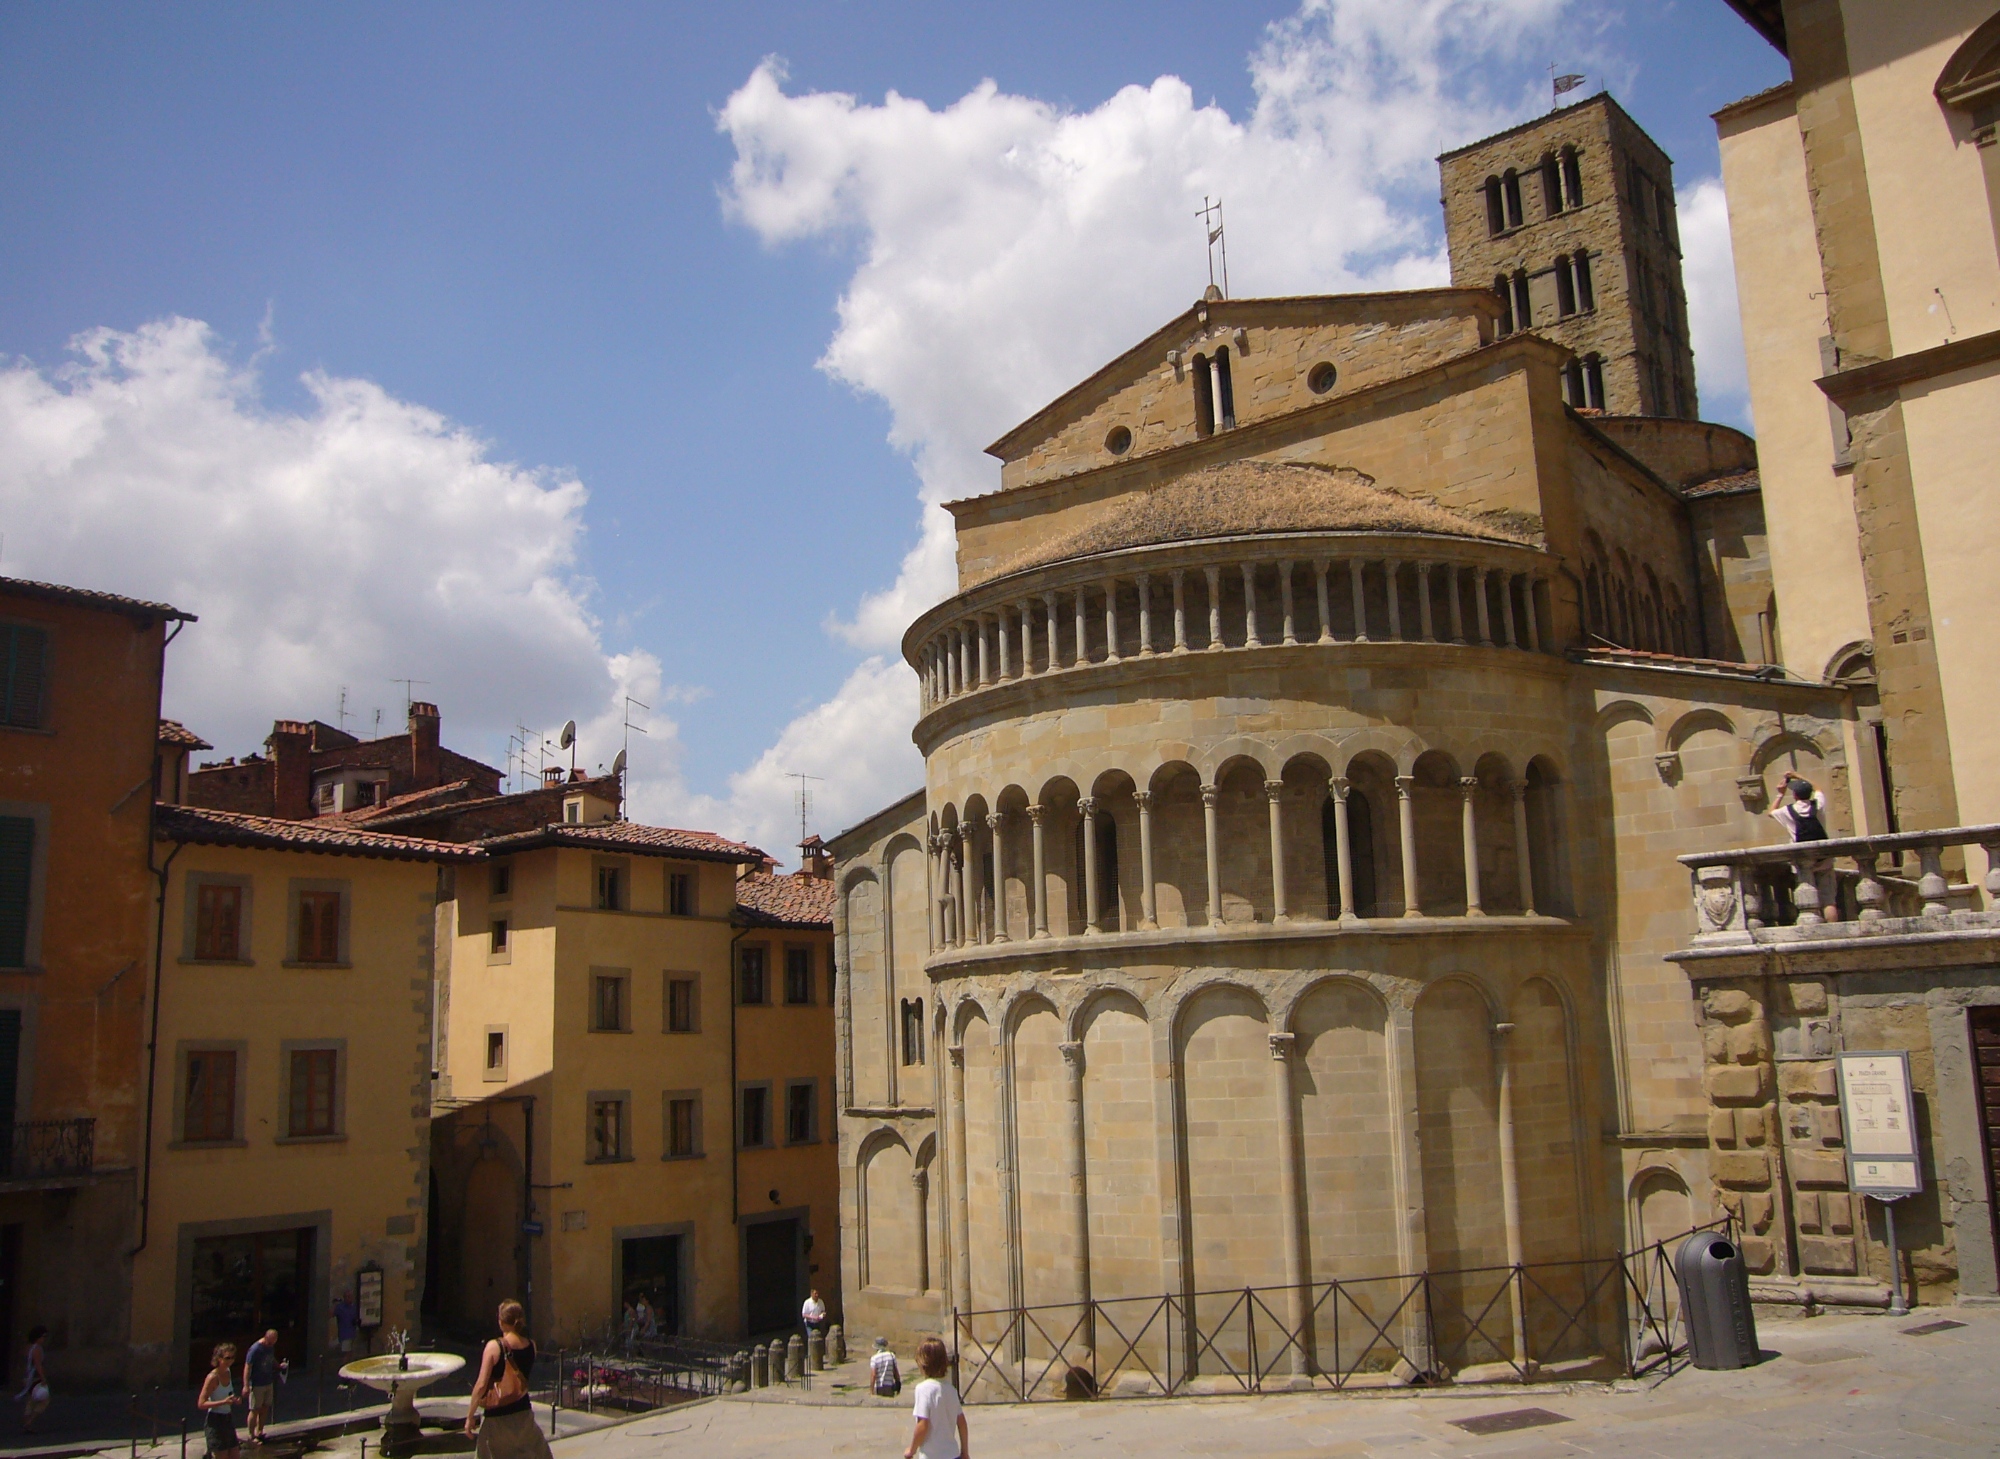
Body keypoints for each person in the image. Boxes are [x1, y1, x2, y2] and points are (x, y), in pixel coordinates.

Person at [463, 1300, 552, 1459]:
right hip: (524, 1415)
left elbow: (481, 1385)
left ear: (502, 1322)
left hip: (497, 1418)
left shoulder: (494, 1346)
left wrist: (470, 1417)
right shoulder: (532, 1345)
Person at [902, 1337, 966, 1459]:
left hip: (931, 1455)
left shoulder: (924, 1389)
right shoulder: (951, 1389)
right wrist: (965, 1451)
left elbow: (923, 1425)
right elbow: (962, 1422)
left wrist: (912, 1449)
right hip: (952, 1454)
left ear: (923, 1364)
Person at [198, 1342, 242, 1459]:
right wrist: (223, 1402)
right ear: (219, 1358)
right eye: (227, 1358)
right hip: (215, 1421)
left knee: (235, 1454)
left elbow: (228, 1393)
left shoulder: (228, 1372)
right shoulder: (212, 1377)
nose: (230, 1361)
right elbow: (201, 1403)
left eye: (233, 1358)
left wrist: (235, 1398)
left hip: (228, 1419)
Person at [242, 1329, 279, 1444]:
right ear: (266, 1338)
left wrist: (278, 1366)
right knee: (255, 1409)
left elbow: (271, 1358)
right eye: (270, 1342)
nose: (271, 1344)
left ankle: (260, 1431)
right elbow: (247, 1367)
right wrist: (246, 1385)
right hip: (257, 1383)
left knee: (265, 1407)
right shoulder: (255, 1349)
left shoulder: (270, 1347)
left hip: (268, 1381)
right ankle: (251, 1435)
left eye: (274, 1342)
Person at [1770, 773, 1830, 842]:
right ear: (1811, 793)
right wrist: (1797, 776)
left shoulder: (1787, 811)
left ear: (1795, 795)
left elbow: (1770, 812)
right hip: (1821, 848)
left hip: (1801, 850)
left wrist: (1781, 794)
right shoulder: (1818, 804)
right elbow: (1818, 789)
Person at [16, 1325, 49, 1434]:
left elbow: (23, 1363)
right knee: (44, 1400)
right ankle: (29, 1422)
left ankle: (27, 1421)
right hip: (35, 1377)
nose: (44, 1339)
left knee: (31, 1400)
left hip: (27, 1377)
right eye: (43, 1336)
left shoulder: (27, 1347)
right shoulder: (37, 1349)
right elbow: (38, 1365)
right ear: (38, 1337)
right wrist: (43, 1378)